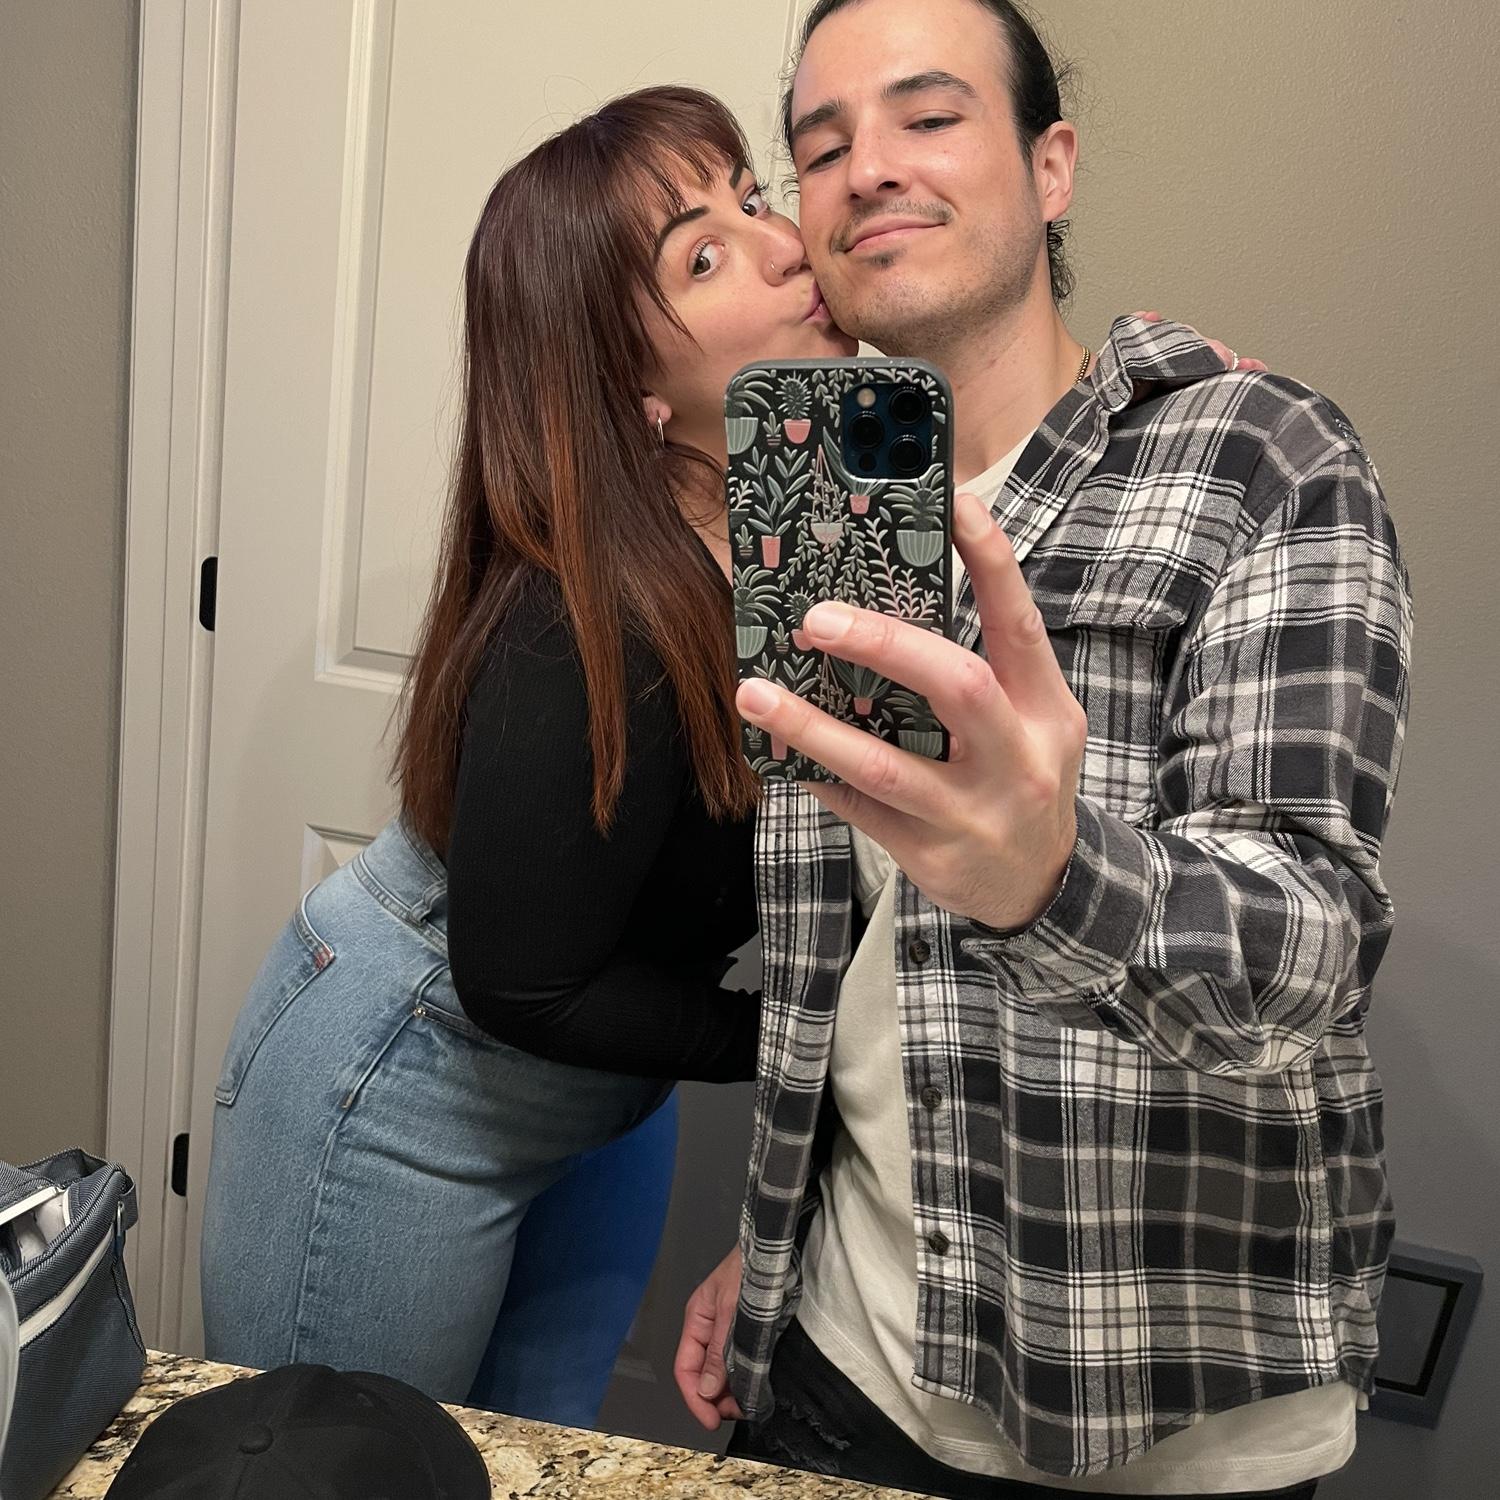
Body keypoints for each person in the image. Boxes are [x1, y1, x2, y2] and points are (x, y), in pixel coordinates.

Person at [676, 3, 1411, 1497]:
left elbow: (1313, 949)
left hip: (1164, 1418)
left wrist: (1055, 878)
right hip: (842, 1360)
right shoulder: (815, 506)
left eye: (929, 117)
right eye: (821, 146)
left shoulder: (1257, 458)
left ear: (1051, 166)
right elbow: (846, 978)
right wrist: (775, 1245)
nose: (868, 167)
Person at [198, 83, 859, 1425]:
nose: (784, 242)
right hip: (409, 1076)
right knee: (345, 1467)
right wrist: (817, 1046)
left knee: (532, 1453)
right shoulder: (583, 613)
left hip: (599, 1095)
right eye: (705, 254)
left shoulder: (809, 525)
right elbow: (522, 981)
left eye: (753, 199)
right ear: (629, 383)